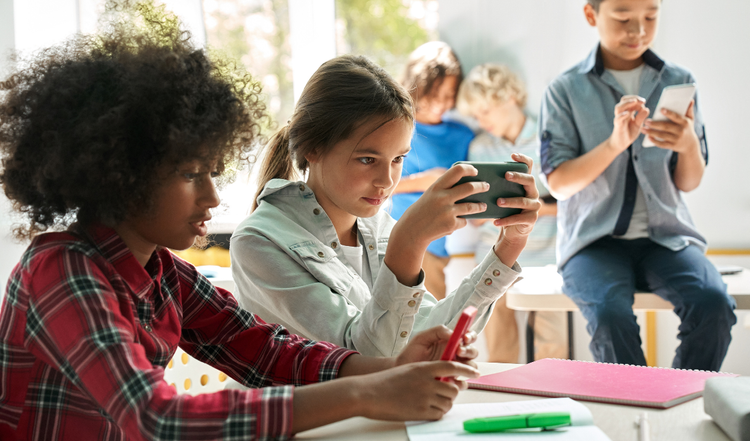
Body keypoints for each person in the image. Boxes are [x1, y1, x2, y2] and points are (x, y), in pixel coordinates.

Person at [0, 2, 483, 439]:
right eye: (191, 174)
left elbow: (267, 350)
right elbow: (156, 418)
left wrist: (387, 368)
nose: (212, 196)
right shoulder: (61, 270)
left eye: (212, 172)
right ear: (121, 174)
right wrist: (367, 392)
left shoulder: (165, 274)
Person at [230, 55, 541, 358]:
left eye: (398, 159)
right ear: (313, 147)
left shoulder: (377, 227)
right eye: (368, 159)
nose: (386, 180)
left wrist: (509, 246)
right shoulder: (259, 242)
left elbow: (429, 335)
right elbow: (369, 361)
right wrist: (409, 242)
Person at [539, 0, 736, 370]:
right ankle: (634, 413)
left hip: (667, 238)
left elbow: (689, 182)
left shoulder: (679, 80)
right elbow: (559, 184)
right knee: (611, 319)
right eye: (623, 17)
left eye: (650, 16)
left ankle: (676, 408)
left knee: (714, 305)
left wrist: (688, 144)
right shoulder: (564, 90)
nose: (638, 30)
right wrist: (614, 144)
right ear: (590, 14)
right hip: (592, 243)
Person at [458, 63, 567, 363]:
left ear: (509, 98)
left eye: (486, 111)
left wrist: (532, 208)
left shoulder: (550, 139)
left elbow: (570, 201)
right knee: (498, 343)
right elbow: (476, 213)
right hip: (493, 255)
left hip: (546, 258)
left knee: (553, 345)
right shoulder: (480, 147)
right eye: (476, 114)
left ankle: (551, 401)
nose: (481, 120)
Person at [387, 41, 474, 299]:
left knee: (430, 324)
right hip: (397, 237)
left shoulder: (463, 136)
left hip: (438, 244)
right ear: (417, 86)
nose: (442, 103)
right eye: (435, 94)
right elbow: (376, 186)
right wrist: (425, 181)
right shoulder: (396, 127)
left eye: (449, 95)